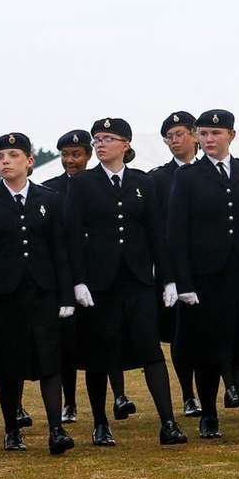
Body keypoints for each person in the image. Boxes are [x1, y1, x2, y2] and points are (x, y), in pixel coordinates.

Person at [66, 118, 188, 446]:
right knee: (99, 353)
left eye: (108, 138)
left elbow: (156, 235)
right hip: (100, 283)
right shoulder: (82, 184)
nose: (100, 144)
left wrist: (168, 280)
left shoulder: (142, 182)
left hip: (137, 281)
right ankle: (101, 423)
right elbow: (73, 237)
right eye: (97, 139)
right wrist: (78, 281)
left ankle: (169, 423)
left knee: (151, 351)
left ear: (126, 144)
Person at [166, 108, 239, 444]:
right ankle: (209, 414)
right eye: (203, 134)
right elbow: (177, 233)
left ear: (231, 135)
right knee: (207, 350)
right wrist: (183, 283)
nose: (209, 140)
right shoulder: (188, 177)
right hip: (205, 279)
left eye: (216, 133)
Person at [0, 133, 78, 453]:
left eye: (13, 155)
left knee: (50, 361)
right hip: (3, 294)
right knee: (8, 364)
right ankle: (12, 429)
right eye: (0, 156)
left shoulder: (50, 199)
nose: (5, 161)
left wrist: (66, 295)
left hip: (43, 291)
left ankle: (56, 429)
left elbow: (61, 250)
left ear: (29, 161)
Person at [147, 111, 203, 417]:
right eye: (169, 136)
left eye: (179, 134)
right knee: (180, 335)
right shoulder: (157, 178)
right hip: (173, 267)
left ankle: (229, 384)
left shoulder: (210, 172)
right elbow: (158, 229)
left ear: (194, 135)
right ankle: (188, 393)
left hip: (208, 264)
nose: (174, 140)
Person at [43, 128, 93, 424]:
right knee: (65, 344)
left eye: (75, 154)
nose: (69, 160)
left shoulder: (97, 184)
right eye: (65, 155)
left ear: (87, 155)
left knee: (100, 340)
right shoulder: (49, 188)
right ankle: (69, 402)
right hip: (62, 274)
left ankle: (119, 396)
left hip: (95, 272)